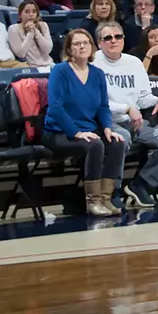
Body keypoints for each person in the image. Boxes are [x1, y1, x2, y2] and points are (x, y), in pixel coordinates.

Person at [92, 21, 158, 210]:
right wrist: (126, 109)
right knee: (121, 138)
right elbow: (97, 102)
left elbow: (143, 97)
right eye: (107, 38)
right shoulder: (93, 63)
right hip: (106, 123)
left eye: (118, 36)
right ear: (99, 43)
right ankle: (113, 190)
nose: (113, 40)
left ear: (124, 39)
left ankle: (140, 185)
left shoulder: (133, 63)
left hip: (134, 121)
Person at [44, 28, 128, 217]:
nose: (81, 46)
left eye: (85, 43)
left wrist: (107, 128)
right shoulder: (60, 71)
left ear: (92, 47)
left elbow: (103, 106)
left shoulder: (97, 73)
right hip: (59, 132)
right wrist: (76, 133)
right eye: (76, 43)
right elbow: (56, 107)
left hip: (88, 129)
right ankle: (93, 201)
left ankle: (106, 198)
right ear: (69, 48)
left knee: (117, 142)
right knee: (95, 145)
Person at [7, 0, 54, 67]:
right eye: (27, 12)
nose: (31, 14)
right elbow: (21, 54)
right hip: (29, 66)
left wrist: (36, 32)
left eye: (34, 12)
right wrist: (30, 34)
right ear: (20, 15)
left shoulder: (43, 25)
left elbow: (48, 49)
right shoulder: (13, 29)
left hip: (49, 64)